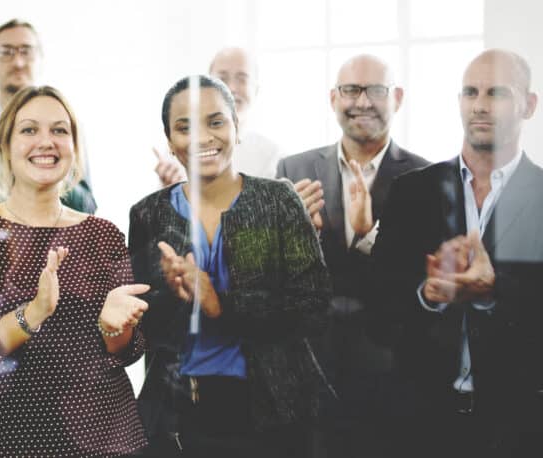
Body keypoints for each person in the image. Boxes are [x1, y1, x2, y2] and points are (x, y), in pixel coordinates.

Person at [130, 75, 331, 457]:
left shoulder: (277, 200)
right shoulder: (147, 214)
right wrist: (171, 296)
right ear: (171, 142)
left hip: (272, 410)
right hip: (176, 411)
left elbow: (313, 309)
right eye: (184, 127)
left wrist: (220, 303)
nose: (203, 137)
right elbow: (143, 327)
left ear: (237, 128)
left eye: (216, 121)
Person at [0, 85, 148, 457]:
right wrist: (33, 313)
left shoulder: (103, 234)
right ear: (4, 145)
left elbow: (128, 351)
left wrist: (115, 325)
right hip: (10, 439)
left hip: (107, 440)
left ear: (74, 146)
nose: (46, 141)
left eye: (59, 130)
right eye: (29, 130)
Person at [373, 49, 543, 457]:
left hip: (517, 425)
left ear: (529, 105)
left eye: (497, 93)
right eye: (470, 92)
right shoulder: (412, 192)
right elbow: (377, 310)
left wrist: (491, 292)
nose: (480, 105)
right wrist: (427, 296)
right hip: (420, 422)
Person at [276, 54, 429, 456]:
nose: (362, 102)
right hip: (309, 369)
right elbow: (271, 279)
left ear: (397, 97)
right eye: (351, 90)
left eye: (375, 90)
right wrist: (297, 236)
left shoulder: (425, 179)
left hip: (388, 374)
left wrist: (369, 235)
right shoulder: (293, 168)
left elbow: (419, 286)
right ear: (333, 99)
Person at [0, 19, 97, 214]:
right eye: (6, 52)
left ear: (41, 58)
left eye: (26, 51)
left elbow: (87, 204)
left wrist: (51, 175)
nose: (18, 62)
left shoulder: (69, 124)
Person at [153, 47, 281, 186]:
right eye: (222, 78)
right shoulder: (181, 147)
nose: (231, 88)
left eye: (242, 79)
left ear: (256, 90)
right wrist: (169, 191)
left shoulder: (273, 157)